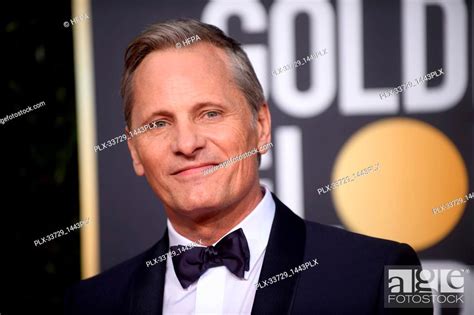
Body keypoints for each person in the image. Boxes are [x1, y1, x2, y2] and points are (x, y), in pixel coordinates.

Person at [64, 19, 432, 314]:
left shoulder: (389, 270)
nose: (187, 144)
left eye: (210, 113)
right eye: (158, 123)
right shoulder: (89, 303)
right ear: (134, 151)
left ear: (261, 128)